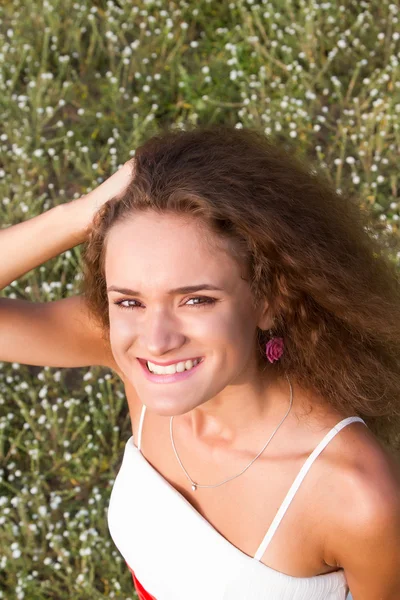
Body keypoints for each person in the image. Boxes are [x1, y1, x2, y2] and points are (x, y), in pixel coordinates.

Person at [1, 124, 400, 600]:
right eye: (129, 301)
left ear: (271, 300)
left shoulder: (355, 495)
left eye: (195, 300)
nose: (156, 340)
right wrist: (81, 214)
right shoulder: (128, 353)